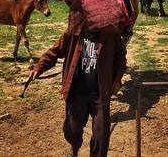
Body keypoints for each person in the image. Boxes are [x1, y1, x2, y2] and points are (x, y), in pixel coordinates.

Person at [29, 8, 126, 157]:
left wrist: (117, 79)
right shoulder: (73, 31)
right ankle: (74, 148)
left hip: (99, 93)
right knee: (71, 131)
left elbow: (120, 57)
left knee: (102, 136)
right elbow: (54, 51)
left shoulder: (111, 33)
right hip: (77, 91)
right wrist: (39, 67)